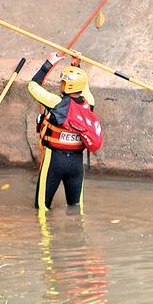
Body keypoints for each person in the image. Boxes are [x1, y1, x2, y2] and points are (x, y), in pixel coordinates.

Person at [27, 55, 97, 212]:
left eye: (63, 82)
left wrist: (49, 63)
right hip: (77, 163)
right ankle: (78, 235)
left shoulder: (55, 103)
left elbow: (33, 86)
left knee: (42, 207)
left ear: (67, 86)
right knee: (76, 207)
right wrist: (76, 66)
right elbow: (84, 87)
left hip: (55, 160)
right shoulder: (89, 103)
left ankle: (44, 237)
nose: (61, 84)